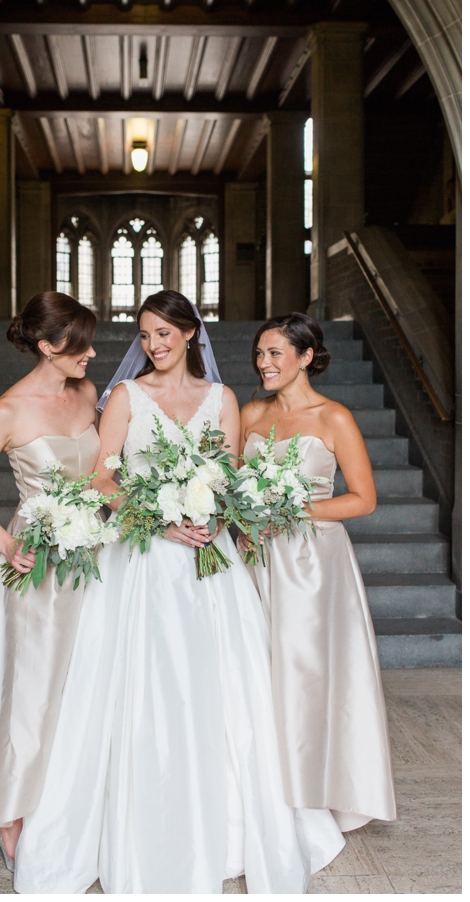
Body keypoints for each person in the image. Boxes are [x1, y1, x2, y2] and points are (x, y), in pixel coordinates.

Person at [13, 291, 345, 894]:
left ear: (192, 334)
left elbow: (231, 474)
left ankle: (230, 827)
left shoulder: (222, 400)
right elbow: (102, 475)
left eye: (164, 334)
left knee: (219, 687)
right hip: (140, 558)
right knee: (135, 686)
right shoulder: (125, 397)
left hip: (208, 560)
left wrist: (215, 515)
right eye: (144, 335)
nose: (153, 346)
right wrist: (159, 517)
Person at [0, 292, 101, 871]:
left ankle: (74, 806)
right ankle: (11, 817)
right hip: (37, 560)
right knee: (32, 686)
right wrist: (6, 542)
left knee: (85, 679)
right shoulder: (7, 411)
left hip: (95, 551)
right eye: (79, 343)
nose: (90, 354)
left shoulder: (87, 393)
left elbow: (108, 470)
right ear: (47, 346)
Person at [240, 313, 397, 832]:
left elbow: (364, 499)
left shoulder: (334, 418)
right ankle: (265, 791)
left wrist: (293, 511)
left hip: (313, 565)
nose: (264, 363)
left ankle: (315, 789)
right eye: (260, 354)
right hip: (257, 557)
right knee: (258, 668)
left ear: (306, 357)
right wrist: (245, 522)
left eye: (276, 354)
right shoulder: (249, 415)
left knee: (309, 670)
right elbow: (232, 486)